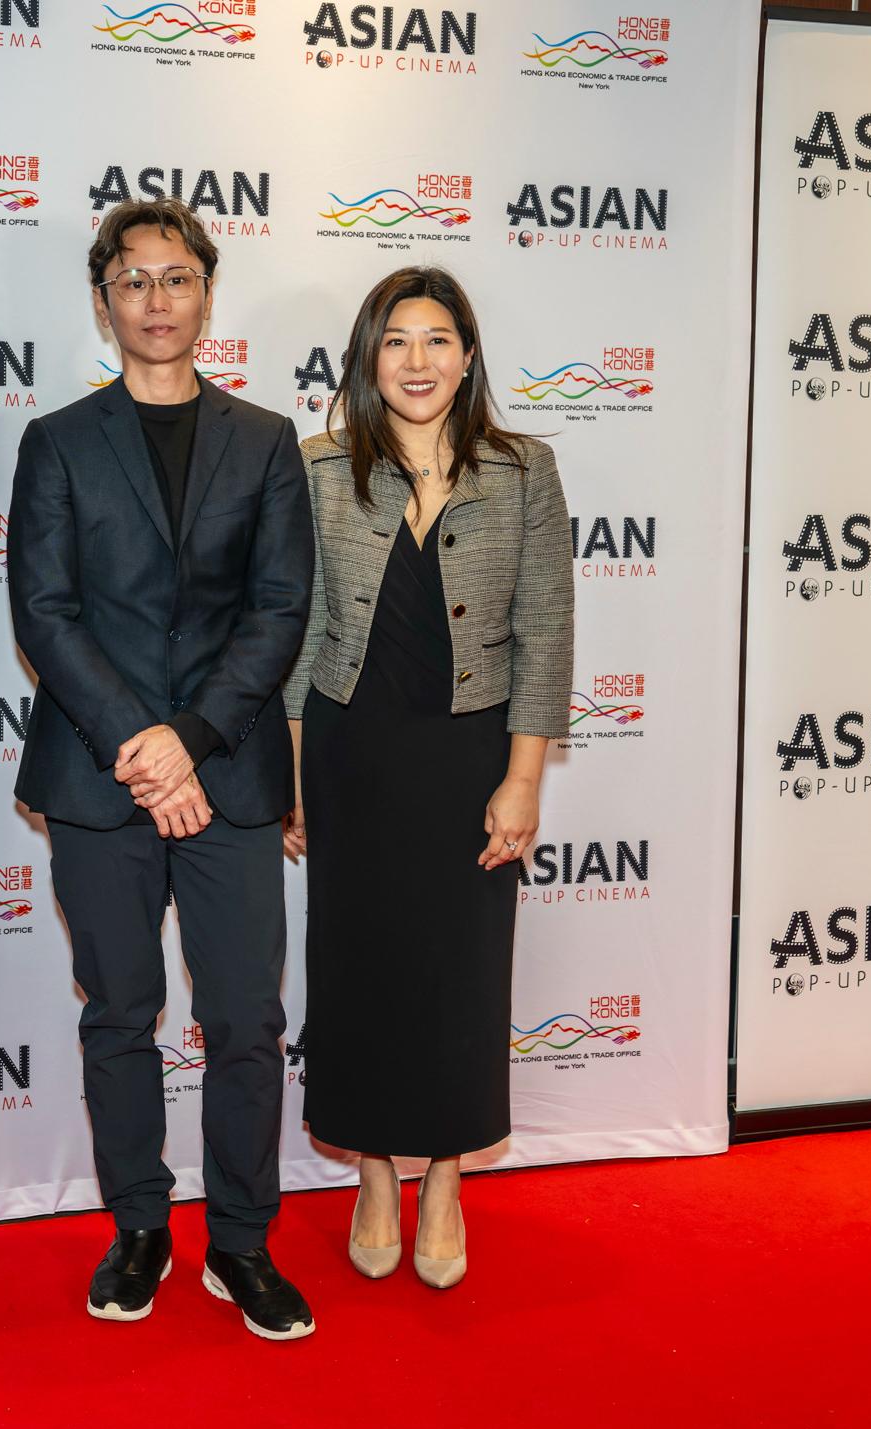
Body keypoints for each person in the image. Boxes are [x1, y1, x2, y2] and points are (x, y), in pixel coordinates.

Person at [8, 199, 316, 1341]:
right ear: (105, 300)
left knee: (245, 1019)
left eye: (175, 278)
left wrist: (189, 738)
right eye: (132, 282)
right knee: (121, 1015)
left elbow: (281, 611)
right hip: (98, 781)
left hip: (229, 777)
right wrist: (146, 747)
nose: (155, 300)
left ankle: (240, 1243)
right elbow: (44, 611)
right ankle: (140, 1226)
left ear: (205, 293)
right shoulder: (56, 442)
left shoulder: (267, 440)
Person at [284, 266, 573, 1290]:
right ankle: (372, 1170)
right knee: (357, 966)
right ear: (368, 356)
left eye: (438, 339)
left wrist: (524, 780)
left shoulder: (524, 469)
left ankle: (445, 1175)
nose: (417, 361)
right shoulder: (316, 466)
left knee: (460, 970)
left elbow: (545, 633)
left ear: (468, 353)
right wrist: (298, 781)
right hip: (350, 750)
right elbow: (300, 634)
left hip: (470, 758)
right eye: (396, 340)